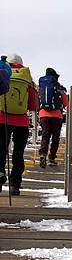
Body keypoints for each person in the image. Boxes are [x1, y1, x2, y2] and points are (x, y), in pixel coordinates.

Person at [0, 53, 38, 195]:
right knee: (18, 153)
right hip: (21, 121)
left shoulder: (2, 74)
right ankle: (15, 185)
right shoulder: (27, 77)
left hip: (2, 118)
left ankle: (0, 175)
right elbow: (33, 104)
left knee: (1, 149)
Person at [38, 67, 68, 168]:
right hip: (56, 116)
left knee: (45, 136)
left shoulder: (41, 86)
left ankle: (43, 154)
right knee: (55, 138)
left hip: (43, 115)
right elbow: (66, 103)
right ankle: (51, 158)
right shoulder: (59, 87)